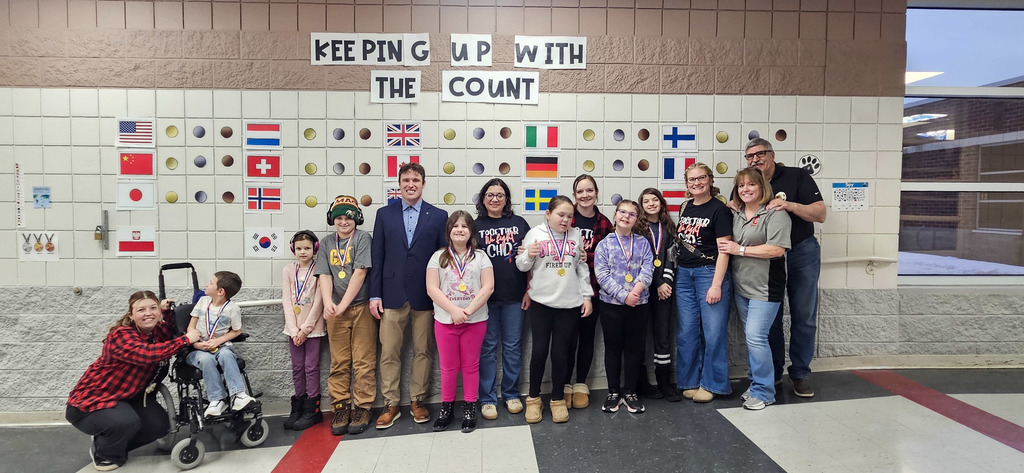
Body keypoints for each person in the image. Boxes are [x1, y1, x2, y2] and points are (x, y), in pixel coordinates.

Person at [67, 291, 201, 471]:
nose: (148, 313)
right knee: (125, 423)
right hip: (94, 400)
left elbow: (170, 331)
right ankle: (105, 453)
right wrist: (185, 340)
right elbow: (147, 354)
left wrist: (167, 312)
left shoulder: (157, 330)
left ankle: (112, 443)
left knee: (159, 426)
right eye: (141, 310)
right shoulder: (121, 335)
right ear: (131, 315)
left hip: (131, 397)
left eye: (153, 308)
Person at [743, 138, 825, 397]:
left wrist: (788, 205)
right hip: (769, 256)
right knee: (771, 318)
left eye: (759, 154)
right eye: (749, 157)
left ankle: (800, 373)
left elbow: (820, 214)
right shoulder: (751, 182)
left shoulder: (796, 176)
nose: (754, 160)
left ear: (772, 154)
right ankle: (774, 372)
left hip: (801, 250)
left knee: (804, 314)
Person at [369, 162, 449, 428]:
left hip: (426, 297)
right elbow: (377, 258)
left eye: (416, 179)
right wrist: (374, 295)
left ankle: (418, 400)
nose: (411, 184)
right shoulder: (384, 214)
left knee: (424, 351)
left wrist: (442, 297)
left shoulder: (438, 216)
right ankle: (391, 403)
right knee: (389, 351)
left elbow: (442, 259)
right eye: (406, 180)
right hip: (391, 295)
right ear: (399, 184)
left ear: (423, 184)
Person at [718, 168, 792, 410]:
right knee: (753, 340)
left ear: (762, 187)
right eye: (741, 186)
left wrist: (739, 249)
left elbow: (776, 250)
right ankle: (757, 383)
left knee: (756, 337)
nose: (746, 189)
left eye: (751, 184)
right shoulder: (736, 212)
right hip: (743, 288)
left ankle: (764, 391)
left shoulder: (774, 214)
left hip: (766, 288)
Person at [516, 195, 594, 424]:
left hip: (569, 304)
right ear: (548, 214)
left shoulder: (576, 235)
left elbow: (582, 269)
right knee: (539, 351)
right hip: (541, 303)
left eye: (570, 216)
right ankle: (533, 399)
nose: (566, 220)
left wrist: (587, 296)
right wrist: (528, 255)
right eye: (561, 214)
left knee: (560, 354)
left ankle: (558, 399)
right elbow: (522, 266)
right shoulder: (536, 234)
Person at [426, 211, 495, 433]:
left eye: (464, 226)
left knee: (471, 365)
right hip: (445, 320)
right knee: (448, 367)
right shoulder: (438, 257)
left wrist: (467, 311)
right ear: (449, 231)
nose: (460, 229)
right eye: (455, 226)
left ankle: (469, 407)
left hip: (474, 320)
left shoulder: (481, 257)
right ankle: (446, 408)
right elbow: (432, 288)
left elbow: (488, 287)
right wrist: (454, 311)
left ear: (471, 232)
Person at [673, 163, 734, 403]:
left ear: (710, 180)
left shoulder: (720, 210)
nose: (696, 183)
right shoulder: (685, 206)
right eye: (691, 180)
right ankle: (689, 380)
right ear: (686, 184)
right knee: (687, 331)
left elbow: (724, 250)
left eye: (701, 178)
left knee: (713, 332)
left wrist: (717, 284)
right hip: (684, 275)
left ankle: (713, 384)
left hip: (709, 273)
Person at [316, 195, 376, 435]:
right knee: (339, 361)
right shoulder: (326, 242)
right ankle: (340, 406)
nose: (343, 222)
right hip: (335, 310)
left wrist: (343, 305)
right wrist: (330, 302)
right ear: (333, 219)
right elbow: (325, 275)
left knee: (363, 361)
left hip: (361, 308)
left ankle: (362, 406)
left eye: (348, 218)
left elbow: (360, 274)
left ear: (356, 219)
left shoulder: (362, 239)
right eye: (339, 217)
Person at [474, 178, 530, 421]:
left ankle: (510, 393)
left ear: (506, 199)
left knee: (512, 348)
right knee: (486, 350)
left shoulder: (519, 224)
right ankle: (487, 399)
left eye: (500, 195)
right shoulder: (474, 226)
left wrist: (529, 289)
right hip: (483, 300)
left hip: (514, 298)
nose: (495, 199)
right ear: (483, 198)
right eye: (490, 194)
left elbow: (530, 262)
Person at [594, 199, 654, 414]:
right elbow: (601, 274)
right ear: (615, 215)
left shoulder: (643, 243)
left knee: (634, 349)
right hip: (611, 304)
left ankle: (630, 391)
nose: (626, 217)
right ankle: (613, 392)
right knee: (612, 348)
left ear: (636, 219)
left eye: (631, 214)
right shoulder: (604, 244)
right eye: (622, 212)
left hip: (639, 303)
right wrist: (622, 295)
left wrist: (635, 292)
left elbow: (648, 270)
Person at [565, 174, 613, 409]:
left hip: (593, 292)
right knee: (565, 339)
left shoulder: (604, 223)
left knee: (586, 338)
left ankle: (581, 383)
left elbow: (612, 256)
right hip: (563, 291)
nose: (585, 195)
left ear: (596, 193)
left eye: (589, 191)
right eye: (580, 191)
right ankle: (563, 384)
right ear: (574, 195)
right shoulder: (565, 218)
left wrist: (589, 256)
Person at [185, 271, 256, 418]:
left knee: (226, 354)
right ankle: (217, 399)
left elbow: (236, 331)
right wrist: (197, 344)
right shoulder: (202, 302)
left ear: (220, 291)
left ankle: (238, 395)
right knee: (206, 359)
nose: (207, 284)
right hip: (199, 349)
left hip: (220, 346)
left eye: (211, 283)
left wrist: (218, 340)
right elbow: (191, 328)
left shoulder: (232, 308)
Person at [638, 188, 681, 401]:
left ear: (661, 203)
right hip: (642, 289)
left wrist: (665, 283)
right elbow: (640, 259)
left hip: (664, 290)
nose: (651, 204)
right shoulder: (637, 228)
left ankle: (664, 382)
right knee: (638, 337)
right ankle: (641, 382)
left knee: (663, 335)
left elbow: (672, 257)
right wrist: (656, 283)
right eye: (646, 201)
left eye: (655, 199)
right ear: (641, 205)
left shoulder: (669, 227)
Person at [281, 230, 325, 431]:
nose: (303, 252)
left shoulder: (319, 269)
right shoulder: (288, 270)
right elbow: (287, 301)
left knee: (310, 367)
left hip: (312, 329)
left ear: (315, 249)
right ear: (293, 249)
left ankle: (312, 409)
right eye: (299, 248)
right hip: (293, 330)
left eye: (307, 248)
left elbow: (319, 302)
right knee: (297, 367)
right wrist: (293, 329)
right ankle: (297, 406)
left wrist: (305, 329)